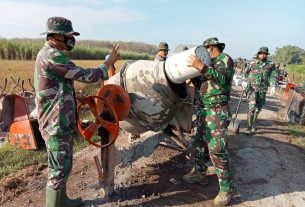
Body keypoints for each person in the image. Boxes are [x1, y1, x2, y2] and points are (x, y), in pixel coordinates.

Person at [34, 16, 120, 207]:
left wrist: (75, 99)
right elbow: (85, 75)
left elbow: (60, 85)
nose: (71, 40)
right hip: (55, 122)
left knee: (63, 166)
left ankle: (62, 200)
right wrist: (107, 64)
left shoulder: (52, 54)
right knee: (58, 170)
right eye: (68, 36)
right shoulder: (52, 56)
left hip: (59, 119)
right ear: (56, 35)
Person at [184, 37, 235, 206]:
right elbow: (203, 84)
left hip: (217, 111)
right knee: (198, 144)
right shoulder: (208, 63)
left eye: (206, 49)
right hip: (204, 110)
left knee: (217, 149)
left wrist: (202, 67)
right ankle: (200, 173)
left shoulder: (224, 59)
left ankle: (227, 189)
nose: (203, 53)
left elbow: (222, 79)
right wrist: (194, 76)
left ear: (212, 47)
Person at [243, 46, 275, 135]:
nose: (263, 55)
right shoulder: (252, 63)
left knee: (258, 108)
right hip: (252, 89)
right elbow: (245, 73)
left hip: (262, 90)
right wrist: (244, 82)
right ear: (258, 54)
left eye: (265, 54)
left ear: (267, 55)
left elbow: (273, 76)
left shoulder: (271, 64)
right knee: (252, 108)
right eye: (261, 53)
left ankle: (252, 124)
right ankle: (249, 128)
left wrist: (273, 86)